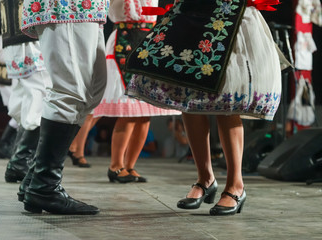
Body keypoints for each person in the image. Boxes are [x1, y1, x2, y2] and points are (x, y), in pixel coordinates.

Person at [126, 0, 282, 215]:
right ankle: (205, 178)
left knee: (226, 102)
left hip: (230, 15)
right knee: (188, 98)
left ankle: (235, 185)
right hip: (192, 12)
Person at [18, 0, 109, 214]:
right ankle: (44, 187)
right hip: (67, 7)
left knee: (93, 90)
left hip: (89, 8)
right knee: (70, 91)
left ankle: (35, 180)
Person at [92, 0, 181, 184]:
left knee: (144, 113)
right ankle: (115, 166)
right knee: (129, 111)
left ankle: (129, 166)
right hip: (125, 38)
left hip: (148, 37)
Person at [0, 0, 51, 183]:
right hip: (27, 35)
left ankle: (17, 161)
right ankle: (20, 160)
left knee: (26, 96)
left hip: (13, 34)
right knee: (39, 95)